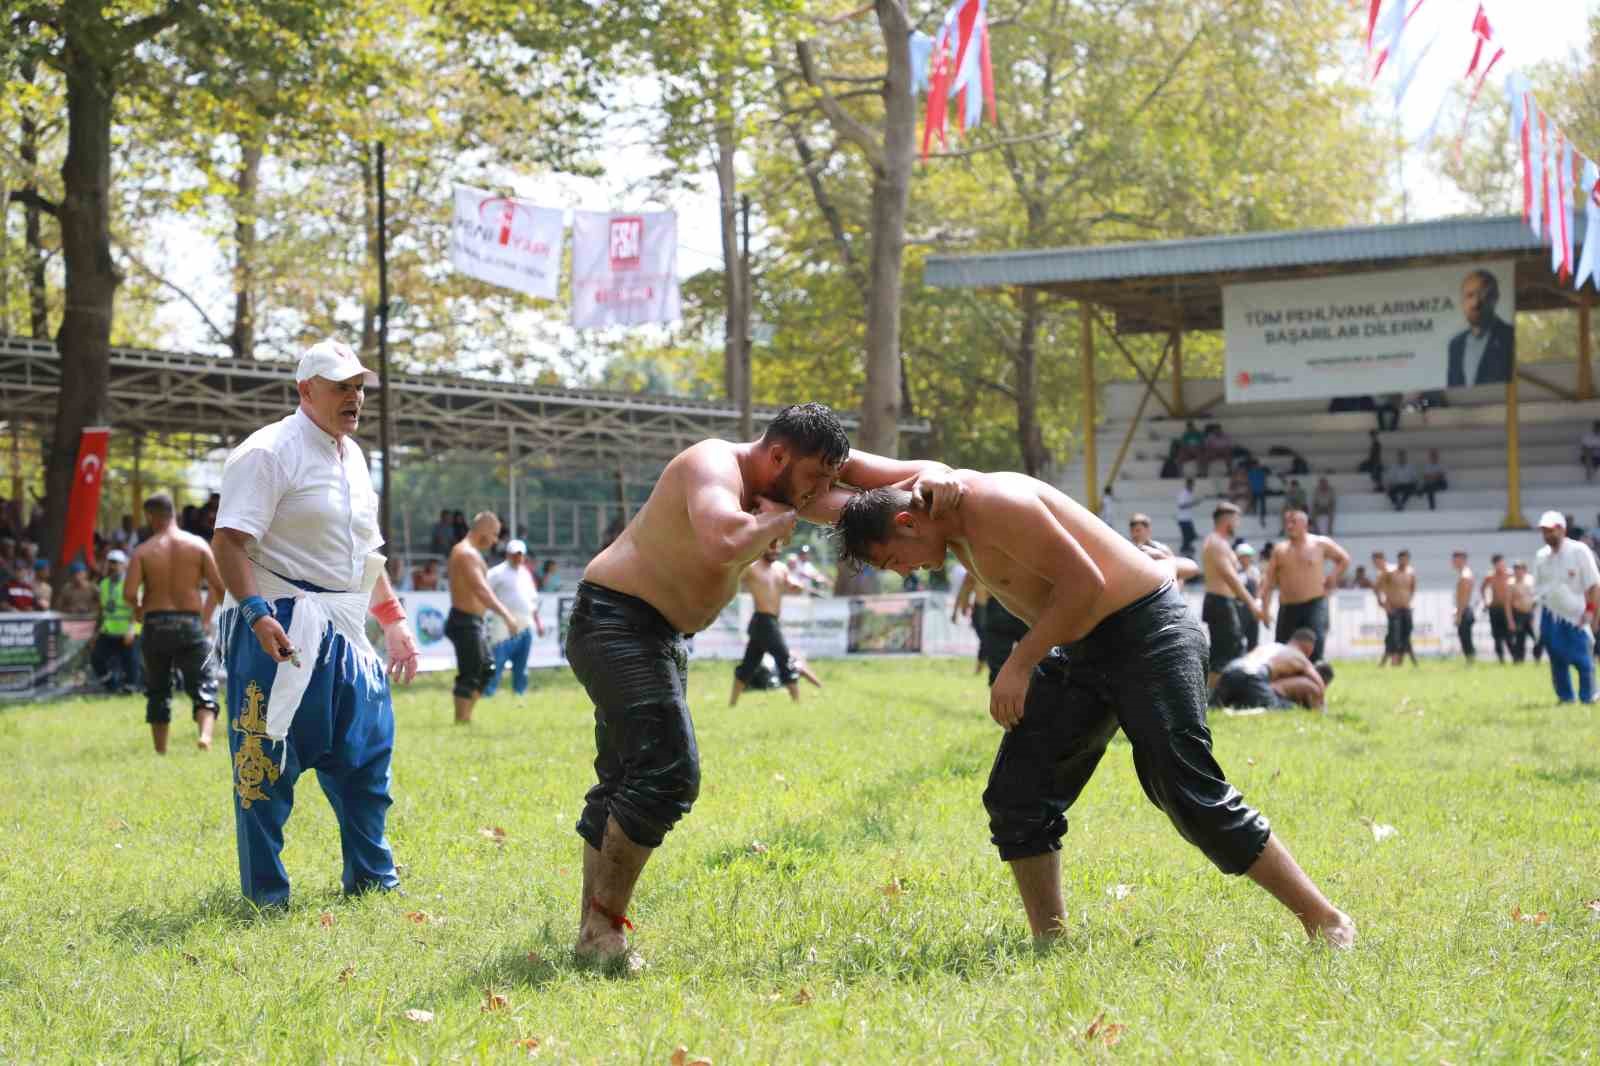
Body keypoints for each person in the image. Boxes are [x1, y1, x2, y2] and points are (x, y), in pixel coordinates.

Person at [834, 475, 1355, 948]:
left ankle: (1325, 918)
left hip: (1148, 630)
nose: (902, 572)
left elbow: (1087, 586)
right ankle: (1052, 943)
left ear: (905, 522)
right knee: (1018, 792)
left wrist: (1018, 664)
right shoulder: (933, 507)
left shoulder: (991, 502)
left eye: (891, 561)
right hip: (1084, 645)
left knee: (1183, 789)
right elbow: (845, 474)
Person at [564, 402, 960, 969]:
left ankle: (593, 932)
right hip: (614, 620)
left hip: (656, 632)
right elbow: (724, 541)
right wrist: (782, 517)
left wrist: (937, 475)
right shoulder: (710, 464)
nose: (822, 491)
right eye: (813, 479)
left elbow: (900, 474)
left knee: (625, 778)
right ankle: (602, 934)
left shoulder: (795, 478)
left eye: (829, 478)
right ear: (778, 455)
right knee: (667, 773)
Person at [211, 338, 421, 908]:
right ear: (307, 390)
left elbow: (365, 555)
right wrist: (254, 615)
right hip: (278, 619)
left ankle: (373, 880)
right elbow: (228, 541)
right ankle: (266, 896)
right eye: (341, 387)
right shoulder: (269, 451)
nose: (354, 398)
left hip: (345, 626)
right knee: (266, 762)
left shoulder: (352, 455)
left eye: (359, 387)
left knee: (366, 754)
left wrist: (394, 619)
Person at [125, 493, 223, 753]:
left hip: (156, 623)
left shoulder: (143, 551)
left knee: (158, 688)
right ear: (175, 515)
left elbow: (129, 592)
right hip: (189, 621)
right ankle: (204, 736)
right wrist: (204, 616)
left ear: (150, 516)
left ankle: (161, 750)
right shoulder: (198, 546)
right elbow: (218, 586)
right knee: (204, 682)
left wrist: (137, 609)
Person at [445, 512, 524, 724]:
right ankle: (462, 720)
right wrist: (506, 615)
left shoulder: (471, 553)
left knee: (487, 667)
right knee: (471, 672)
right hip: (464, 620)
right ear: (484, 529)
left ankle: (466, 717)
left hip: (473, 622)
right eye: (495, 534)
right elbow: (481, 590)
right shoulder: (466, 553)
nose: (496, 540)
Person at [731, 547, 817, 706]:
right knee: (784, 658)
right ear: (763, 547)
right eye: (771, 547)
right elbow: (732, 578)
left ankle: (732, 704)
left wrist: (796, 586)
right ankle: (797, 704)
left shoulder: (781, 568)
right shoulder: (751, 567)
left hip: (771, 621)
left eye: (777, 548)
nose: (775, 550)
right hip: (763, 621)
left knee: (749, 664)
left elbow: (790, 585)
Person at [1260, 510, 1348, 662]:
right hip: (1288, 606)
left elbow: (1344, 559)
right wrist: (1265, 609)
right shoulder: (1280, 550)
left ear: (1305, 524)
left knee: (1315, 647)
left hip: (1314, 603)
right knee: (1282, 650)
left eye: (1293, 522)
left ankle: (1314, 683)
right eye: (1287, 522)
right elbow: (1269, 582)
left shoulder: (1320, 543)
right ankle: (1285, 685)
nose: (1289, 525)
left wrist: (1333, 577)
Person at [1532, 511, 1600, 703]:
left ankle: (1588, 696)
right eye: (1544, 531)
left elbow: (1594, 585)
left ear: (1562, 529)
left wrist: (1591, 612)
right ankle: (1565, 697)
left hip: (1576, 614)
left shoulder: (1579, 551)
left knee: (1583, 660)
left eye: (1550, 531)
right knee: (1557, 658)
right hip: (1550, 614)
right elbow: (1537, 588)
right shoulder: (1541, 556)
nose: (1547, 535)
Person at [1201, 503, 1265, 687]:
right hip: (1220, 602)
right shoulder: (1216, 543)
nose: (1237, 524)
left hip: (1222, 602)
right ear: (1227, 520)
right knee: (1225, 651)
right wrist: (1252, 605)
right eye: (1236, 520)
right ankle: (1215, 697)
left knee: (1229, 648)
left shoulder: (1220, 543)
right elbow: (1231, 579)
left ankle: (1218, 695)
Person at [483, 539, 545, 700]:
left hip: (525, 622)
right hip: (503, 622)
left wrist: (538, 623)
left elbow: (533, 601)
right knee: (498, 660)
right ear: (508, 554)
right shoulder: (496, 573)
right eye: (515, 554)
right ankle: (488, 693)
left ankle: (519, 694)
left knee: (521, 663)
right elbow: (484, 593)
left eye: (521, 554)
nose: (518, 557)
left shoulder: (526, 573)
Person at [1212, 629, 1333, 711]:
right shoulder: (1299, 656)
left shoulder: (1271, 646)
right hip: (1255, 674)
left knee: (1216, 706)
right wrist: (1323, 705)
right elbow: (1318, 681)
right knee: (1283, 707)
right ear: (1309, 649)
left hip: (1230, 671)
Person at [1446, 269, 1515, 387]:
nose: (1475, 303)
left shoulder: (1510, 337)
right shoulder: (1455, 344)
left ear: (1495, 298)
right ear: (1462, 301)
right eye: (1469, 296)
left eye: (1483, 295)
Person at [90, 549, 141, 694]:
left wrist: (131, 629)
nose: (112, 566)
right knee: (96, 658)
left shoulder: (131, 583)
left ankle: (129, 689)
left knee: (130, 663)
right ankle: (111, 685)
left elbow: (137, 608)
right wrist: (95, 632)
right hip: (108, 630)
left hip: (128, 632)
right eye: (110, 563)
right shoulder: (104, 584)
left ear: (125, 565)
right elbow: (102, 610)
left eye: (116, 563)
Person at [1384, 550, 1419, 668]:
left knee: (1406, 635)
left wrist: (1408, 600)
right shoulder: (1391, 572)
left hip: (1406, 608)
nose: (1403, 561)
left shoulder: (1411, 572)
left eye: (1406, 559)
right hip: (1394, 609)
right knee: (1394, 636)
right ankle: (1393, 661)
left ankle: (1402, 661)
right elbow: (1382, 587)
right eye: (1401, 559)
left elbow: (1413, 588)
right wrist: (1386, 604)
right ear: (1398, 559)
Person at [1480, 554, 1514, 664]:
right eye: (1497, 564)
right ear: (1494, 565)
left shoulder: (1510, 574)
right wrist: (1486, 601)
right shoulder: (1490, 576)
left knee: (1509, 635)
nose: (1500, 566)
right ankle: (1501, 659)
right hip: (1495, 608)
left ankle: (1515, 658)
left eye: (1501, 563)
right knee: (1497, 636)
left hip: (1508, 608)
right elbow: (1482, 588)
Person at [1510, 560, 1539, 663]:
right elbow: (1508, 602)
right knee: (1519, 639)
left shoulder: (1531, 581)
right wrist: (1511, 620)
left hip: (1530, 613)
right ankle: (1519, 661)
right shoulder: (1511, 583)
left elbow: (1537, 597)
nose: (1518, 571)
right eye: (1516, 569)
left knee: (1537, 638)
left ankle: (1537, 659)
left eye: (1520, 569)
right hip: (1518, 614)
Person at [1236, 543, 1262, 651]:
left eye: (1248, 556)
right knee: (1238, 636)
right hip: (1240, 608)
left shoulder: (1254, 571)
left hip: (1252, 608)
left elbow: (1258, 588)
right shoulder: (1236, 572)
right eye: (1243, 556)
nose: (1246, 559)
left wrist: (1259, 603)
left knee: (1253, 637)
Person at [1176, 478, 1198, 556]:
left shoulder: (1190, 494)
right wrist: (1192, 503)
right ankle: (1184, 550)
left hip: (1188, 518)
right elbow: (1181, 505)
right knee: (1188, 536)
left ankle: (1186, 549)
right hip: (1183, 519)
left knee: (1191, 536)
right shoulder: (1183, 494)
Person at [1245, 461, 1269, 525]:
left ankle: (1262, 514)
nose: (1256, 466)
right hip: (1254, 490)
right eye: (1255, 465)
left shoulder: (1261, 472)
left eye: (1257, 465)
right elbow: (1249, 482)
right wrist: (1250, 489)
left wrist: (1264, 487)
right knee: (1254, 502)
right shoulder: (1250, 473)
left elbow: (1264, 480)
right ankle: (1254, 512)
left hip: (1260, 490)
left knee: (1262, 503)